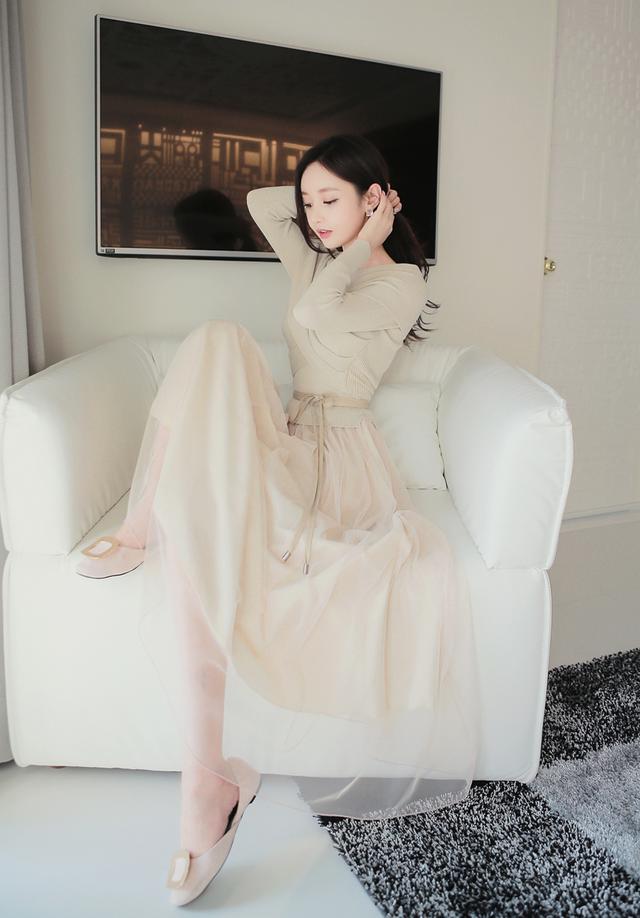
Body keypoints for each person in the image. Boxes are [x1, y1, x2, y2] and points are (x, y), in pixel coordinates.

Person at [76, 133, 480, 907]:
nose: (313, 214)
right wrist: (331, 210)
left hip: (341, 457)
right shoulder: (322, 257)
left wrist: (365, 237)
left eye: (331, 199)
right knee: (218, 339)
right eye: (312, 200)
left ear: (373, 199)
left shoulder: (398, 283)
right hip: (288, 434)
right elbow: (266, 205)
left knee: (216, 527)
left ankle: (208, 786)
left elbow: (320, 310)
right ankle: (139, 529)